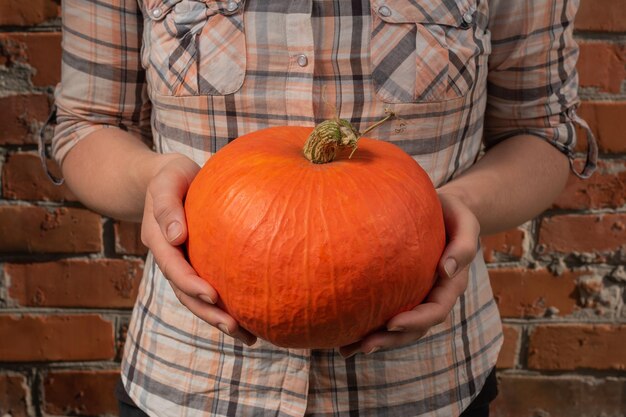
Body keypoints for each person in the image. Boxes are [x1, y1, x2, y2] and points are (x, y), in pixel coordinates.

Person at [43, 0, 597, 415]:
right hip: (188, 384)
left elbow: (543, 133)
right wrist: (155, 179)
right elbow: (86, 126)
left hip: (426, 387)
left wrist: (451, 208)